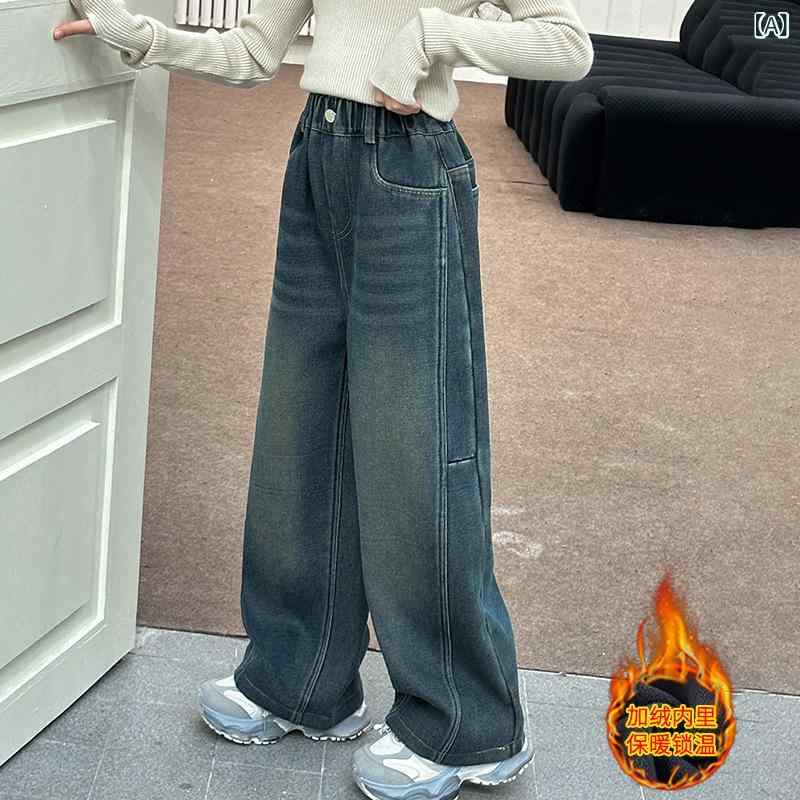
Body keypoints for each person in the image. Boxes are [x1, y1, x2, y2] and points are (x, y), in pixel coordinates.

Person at [54, 2, 593, 798]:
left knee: (416, 448)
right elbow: (252, 51)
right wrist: (141, 36)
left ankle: (471, 725)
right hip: (317, 154)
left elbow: (568, 46)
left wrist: (436, 35)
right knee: (299, 432)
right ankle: (299, 679)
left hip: (411, 168)